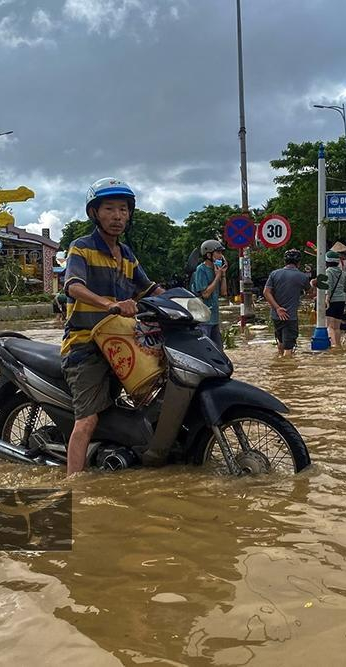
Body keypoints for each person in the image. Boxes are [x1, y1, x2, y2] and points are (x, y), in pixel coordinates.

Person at [61, 178, 165, 474]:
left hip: (121, 341)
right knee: (88, 419)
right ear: (94, 212)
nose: (118, 216)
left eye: (123, 209)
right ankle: (74, 484)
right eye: (110, 209)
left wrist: (183, 303)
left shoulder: (128, 254)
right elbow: (73, 286)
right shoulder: (81, 248)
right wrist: (108, 304)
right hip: (85, 346)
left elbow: (149, 288)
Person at [263, 248, 316, 357]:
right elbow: (311, 294)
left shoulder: (274, 274)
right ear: (299, 263)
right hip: (290, 317)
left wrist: (277, 308)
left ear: (284, 261)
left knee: (281, 343)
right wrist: (313, 283)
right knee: (288, 349)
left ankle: (280, 367)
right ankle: (287, 370)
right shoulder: (302, 277)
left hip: (276, 316)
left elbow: (266, 292)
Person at [190, 239, 227, 348]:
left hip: (214, 319)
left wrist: (223, 275)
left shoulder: (217, 270)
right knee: (207, 349)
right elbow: (205, 294)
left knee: (219, 350)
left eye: (221, 253)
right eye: (218, 252)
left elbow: (224, 293)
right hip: (203, 320)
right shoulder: (201, 270)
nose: (221, 255)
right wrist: (217, 277)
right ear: (209, 254)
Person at [323, 251, 346, 347]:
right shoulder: (343, 273)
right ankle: (338, 345)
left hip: (331, 301)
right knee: (337, 327)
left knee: (330, 326)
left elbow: (328, 286)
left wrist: (327, 299)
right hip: (341, 301)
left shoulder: (328, 271)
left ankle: (333, 345)